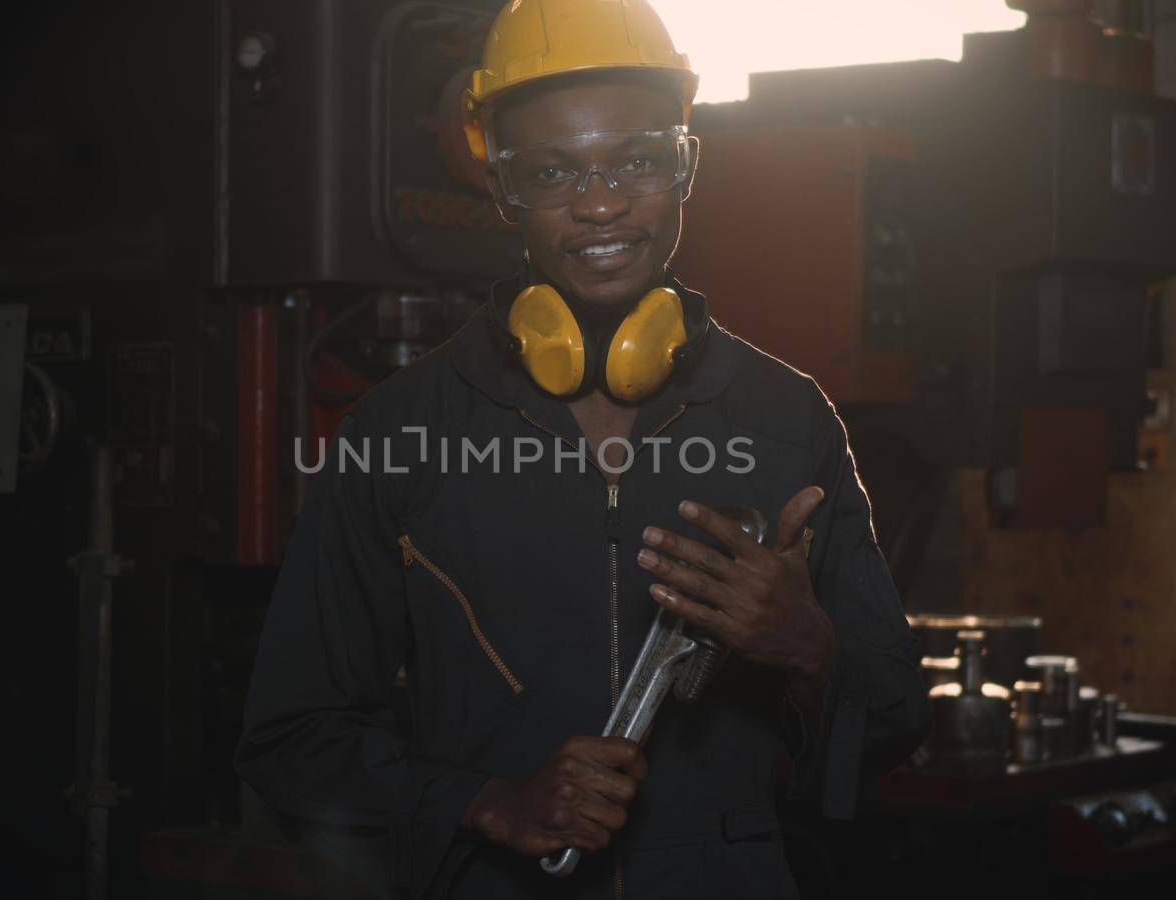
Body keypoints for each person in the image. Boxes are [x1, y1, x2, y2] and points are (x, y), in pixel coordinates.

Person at [236, 1, 929, 897]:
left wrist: (806, 646)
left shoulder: (787, 419)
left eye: (635, 161)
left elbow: (896, 729)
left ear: (686, 164)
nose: (600, 204)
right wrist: (486, 803)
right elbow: (291, 741)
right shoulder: (399, 432)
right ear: (500, 189)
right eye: (553, 172)